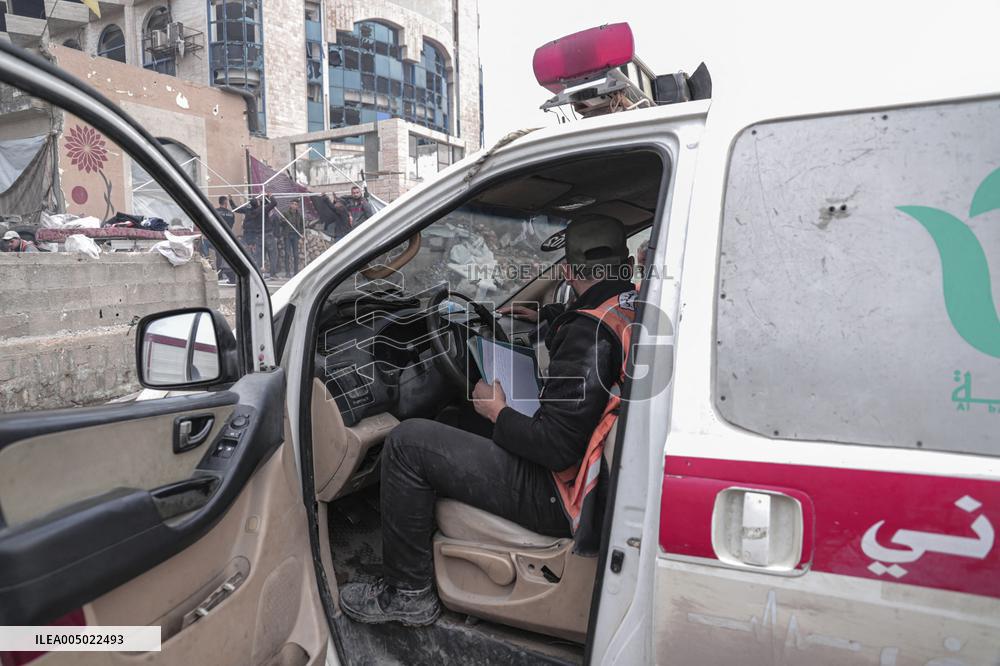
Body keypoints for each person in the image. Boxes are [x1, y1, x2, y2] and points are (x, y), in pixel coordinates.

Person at [338, 215, 637, 627]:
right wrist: (549, 317)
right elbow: (588, 340)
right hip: (595, 477)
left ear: (566, 272)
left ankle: (408, 593)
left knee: (407, 443)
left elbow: (555, 448)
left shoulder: (588, 332)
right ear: (627, 265)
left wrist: (499, 411)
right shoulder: (625, 307)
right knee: (456, 416)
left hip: (559, 490)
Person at [214, 196, 237, 284]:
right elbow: (231, 225)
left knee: (219, 256)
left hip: (218, 236)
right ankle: (228, 273)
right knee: (227, 255)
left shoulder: (215, 212)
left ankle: (220, 275)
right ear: (226, 203)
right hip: (228, 236)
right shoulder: (231, 214)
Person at [282, 199, 303, 277]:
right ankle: (287, 272)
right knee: (287, 254)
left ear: (297, 206)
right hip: (287, 235)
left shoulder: (299, 215)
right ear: (290, 205)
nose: (294, 205)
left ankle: (296, 272)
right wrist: (284, 221)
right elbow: (281, 223)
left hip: (295, 236)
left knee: (296, 254)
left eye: (296, 204)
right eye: (293, 204)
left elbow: (301, 225)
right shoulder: (286, 214)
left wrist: (301, 233)